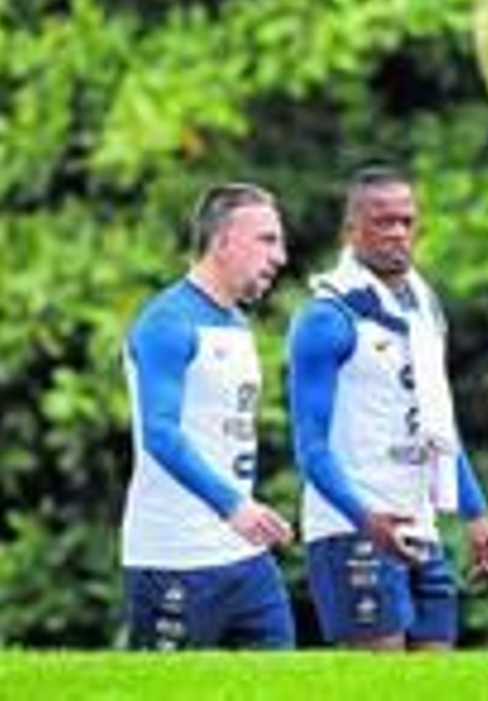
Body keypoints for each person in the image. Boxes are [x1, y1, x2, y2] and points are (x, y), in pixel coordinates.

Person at [288, 167, 488, 650]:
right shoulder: (327, 317)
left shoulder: (424, 308)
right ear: (352, 230)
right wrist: (366, 521)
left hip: (419, 524)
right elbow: (310, 448)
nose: (397, 233)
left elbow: (439, 424)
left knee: (432, 673)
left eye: (406, 221)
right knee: (379, 678)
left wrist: (475, 513)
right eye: (382, 221)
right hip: (352, 528)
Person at [121, 182, 296, 650]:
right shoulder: (167, 322)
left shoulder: (236, 323)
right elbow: (161, 433)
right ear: (221, 242)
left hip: (244, 558)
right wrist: (234, 505)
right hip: (173, 558)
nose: (280, 257)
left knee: (284, 681)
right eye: (267, 240)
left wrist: (246, 513)